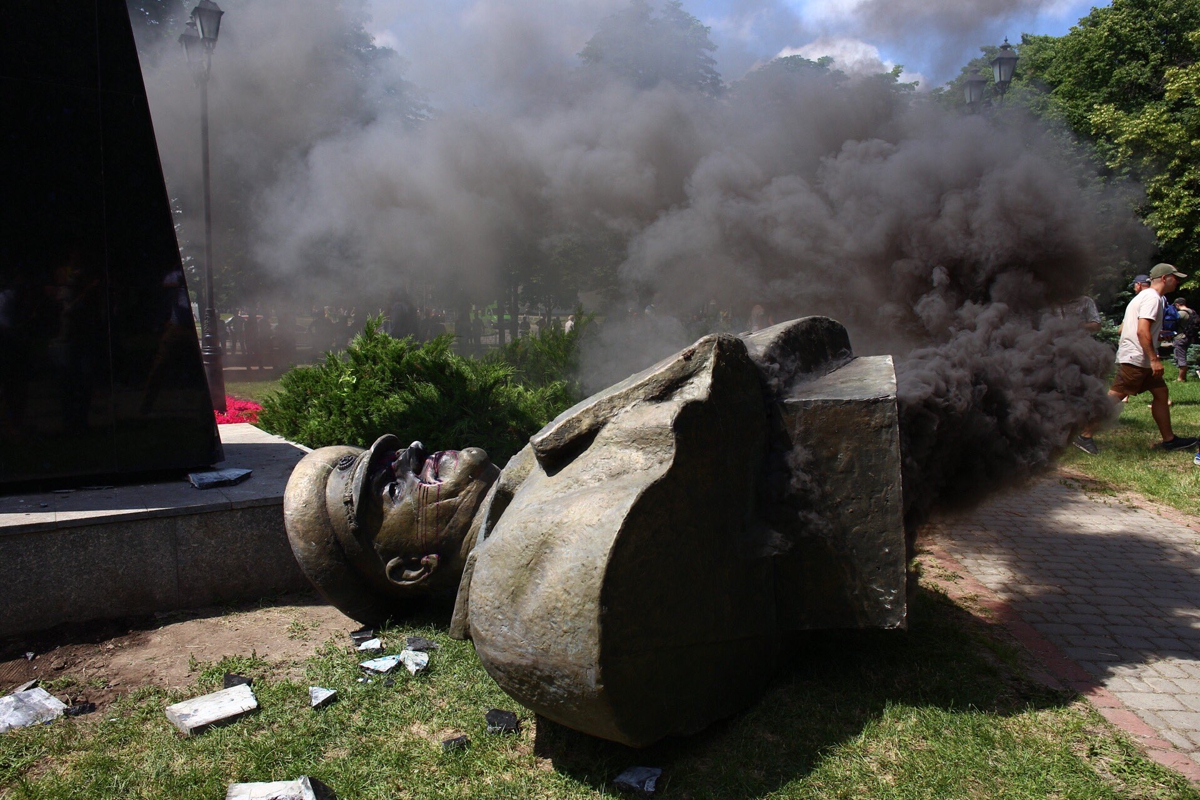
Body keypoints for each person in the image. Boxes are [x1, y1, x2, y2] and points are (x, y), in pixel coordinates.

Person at [1075, 263, 1199, 455]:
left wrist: (1158, 336)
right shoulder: (1153, 298)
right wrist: (1154, 359)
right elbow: (1142, 330)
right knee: (1115, 396)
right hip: (1137, 357)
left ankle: (1169, 440)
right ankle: (1084, 434)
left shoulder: (1145, 296)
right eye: (1175, 277)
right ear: (1164, 278)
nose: (1178, 281)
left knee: (1161, 394)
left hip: (1139, 356)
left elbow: (1134, 328)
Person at [1174, 298, 1197, 382]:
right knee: (1182, 356)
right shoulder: (1192, 311)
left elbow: (1173, 323)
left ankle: (1181, 378)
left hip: (1181, 337)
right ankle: (1183, 377)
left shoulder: (1181, 313)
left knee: (1180, 357)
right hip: (1189, 337)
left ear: (1177, 304)